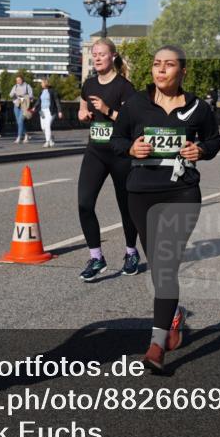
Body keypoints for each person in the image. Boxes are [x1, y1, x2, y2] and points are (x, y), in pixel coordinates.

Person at [111, 45, 220, 372]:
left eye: (169, 64)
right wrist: (131, 148)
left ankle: (156, 346)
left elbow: (214, 141)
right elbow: (116, 141)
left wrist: (200, 150)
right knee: (159, 268)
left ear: (182, 71)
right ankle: (172, 316)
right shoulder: (135, 105)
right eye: (157, 64)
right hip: (141, 192)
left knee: (166, 266)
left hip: (181, 191)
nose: (161, 70)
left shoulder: (198, 107)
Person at [77, 38, 142, 281]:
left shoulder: (125, 87)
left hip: (120, 154)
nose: (96, 58)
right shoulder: (89, 84)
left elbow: (132, 122)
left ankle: (131, 252)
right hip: (95, 151)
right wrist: (83, 114)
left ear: (113, 56)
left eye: (101, 54)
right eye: (94, 54)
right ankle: (96, 257)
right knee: (84, 203)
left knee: (126, 207)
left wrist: (107, 111)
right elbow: (82, 108)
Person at [38, 77, 63, 148]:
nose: (41, 84)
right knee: (43, 127)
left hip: (50, 111)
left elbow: (57, 101)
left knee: (47, 125)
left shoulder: (52, 91)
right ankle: (51, 138)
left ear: (45, 83)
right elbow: (39, 101)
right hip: (42, 111)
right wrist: (34, 108)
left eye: (42, 83)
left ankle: (47, 142)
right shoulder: (42, 91)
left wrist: (60, 111)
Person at [7, 75, 32, 143]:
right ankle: (26, 135)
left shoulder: (27, 86)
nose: (18, 81)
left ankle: (19, 137)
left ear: (22, 79)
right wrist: (14, 94)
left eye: (19, 80)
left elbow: (31, 96)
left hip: (24, 106)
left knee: (20, 121)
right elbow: (10, 95)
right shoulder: (15, 86)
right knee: (18, 122)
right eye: (17, 80)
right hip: (16, 105)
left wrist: (23, 97)